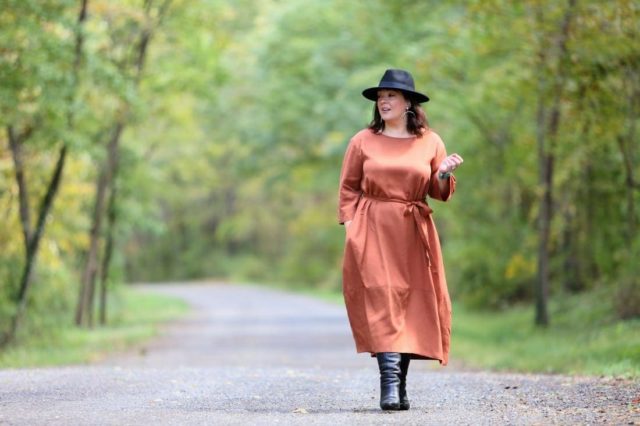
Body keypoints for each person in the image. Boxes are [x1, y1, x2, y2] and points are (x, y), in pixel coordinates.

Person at [337, 69, 463, 411]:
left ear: (409, 103)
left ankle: (401, 386)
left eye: (391, 96)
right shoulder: (362, 140)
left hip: (413, 229)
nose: (384, 101)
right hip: (372, 227)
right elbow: (348, 187)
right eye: (381, 97)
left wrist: (444, 174)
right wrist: (350, 225)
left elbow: (437, 192)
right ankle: (389, 387)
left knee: (409, 303)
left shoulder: (430, 141)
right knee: (383, 300)